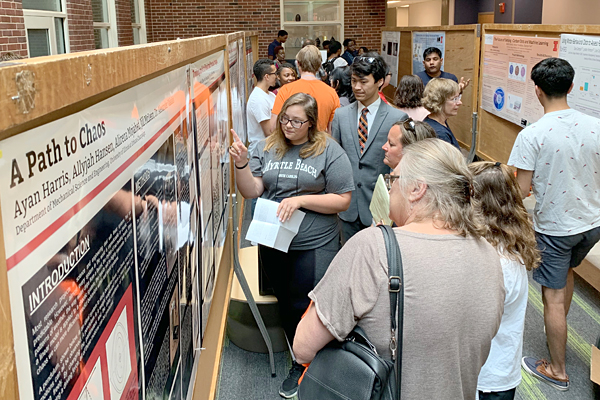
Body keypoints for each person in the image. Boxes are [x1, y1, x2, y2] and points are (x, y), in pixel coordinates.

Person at [293, 138, 505, 399]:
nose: (388, 189)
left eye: (392, 181)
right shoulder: (489, 254)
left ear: (416, 189)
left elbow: (303, 347)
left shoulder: (372, 248)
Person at [229, 93, 354, 399]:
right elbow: (252, 191)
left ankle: (312, 366)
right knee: (285, 303)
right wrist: (242, 164)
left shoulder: (329, 151)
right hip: (274, 241)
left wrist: (301, 200)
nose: (288, 126)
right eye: (284, 119)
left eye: (296, 121)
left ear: (311, 124)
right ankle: (299, 359)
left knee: (310, 307)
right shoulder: (267, 147)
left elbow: (343, 199)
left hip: (314, 244)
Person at [508, 57, 600, 391]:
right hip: (591, 225)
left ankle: (557, 370)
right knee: (567, 275)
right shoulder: (596, 125)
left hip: (555, 229)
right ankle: (558, 330)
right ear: (571, 87)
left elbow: (519, 190)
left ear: (537, 90)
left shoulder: (532, 134)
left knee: (552, 298)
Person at [470, 161, 541, 400]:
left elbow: (474, 326)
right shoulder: (507, 245)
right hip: (498, 370)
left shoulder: (495, 263)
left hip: (487, 379)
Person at [331, 54, 407, 242]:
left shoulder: (396, 118)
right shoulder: (340, 116)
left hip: (381, 208)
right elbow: (336, 161)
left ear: (379, 81)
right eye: (354, 81)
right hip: (347, 208)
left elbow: (400, 166)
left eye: (363, 82)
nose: (357, 87)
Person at [271, 45, 340, 133]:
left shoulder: (285, 90)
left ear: (298, 63)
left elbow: (273, 127)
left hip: (291, 144)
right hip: (320, 144)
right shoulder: (331, 93)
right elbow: (332, 131)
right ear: (319, 65)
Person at [246, 59, 277, 155]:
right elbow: (269, 132)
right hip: (261, 153)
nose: (277, 76)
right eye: (275, 73)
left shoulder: (270, 95)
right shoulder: (258, 99)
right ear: (267, 76)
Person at [422, 78, 462, 150]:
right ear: (439, 102)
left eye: (458, 98)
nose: (459, 103)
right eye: (454, 99)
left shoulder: (434, 121)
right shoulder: (440, 134)